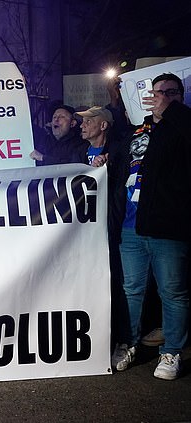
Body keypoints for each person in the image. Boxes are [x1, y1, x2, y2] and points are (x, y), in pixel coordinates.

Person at [108, 73, 190, 380]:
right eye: (156, 92)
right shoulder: (137, 131)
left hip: (169, 227)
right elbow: (120, 164)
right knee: (131, 290)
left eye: (169, 93)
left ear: (180, 97)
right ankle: (129, 342)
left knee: (173, 291)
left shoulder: (182, 126)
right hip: (131, 227)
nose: (161, 97)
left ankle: (172, 351)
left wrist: (171, 110)